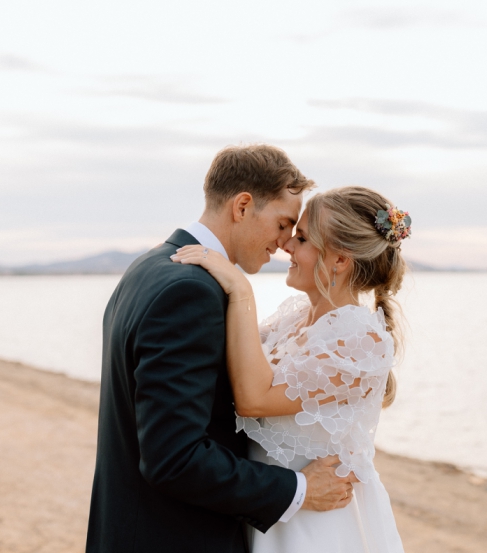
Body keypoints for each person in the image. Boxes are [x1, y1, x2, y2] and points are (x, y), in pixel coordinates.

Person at [85, 145, 359, 553]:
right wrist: (299, 488)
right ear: (243, 206)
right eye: (284, 224)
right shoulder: (190, 292)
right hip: (176, 537)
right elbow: (174, 459)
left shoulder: (148, 268)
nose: (285, 243)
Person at [172, 185, 411, 552]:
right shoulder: (294, 318)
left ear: (339, 260)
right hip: (272, 511)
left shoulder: (360, 340)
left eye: (301, 238)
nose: (287, 246)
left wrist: (241, 289)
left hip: (319, 527)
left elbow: (254, 399)